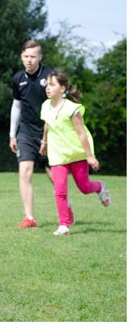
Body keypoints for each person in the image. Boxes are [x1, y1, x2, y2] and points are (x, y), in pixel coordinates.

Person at [39, 70, 111, 236]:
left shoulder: (72, 109)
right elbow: (47, 124)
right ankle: (64, 225)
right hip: (58, 155)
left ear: (63, 88)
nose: (48, 88)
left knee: (84, 187)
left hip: (77, 154)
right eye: (47, 84)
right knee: (60, 191)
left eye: (52, 85)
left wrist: (90, 156)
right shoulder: (45, 106)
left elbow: (81, 133)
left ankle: (99, 187)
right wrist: (44, 142)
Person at [9, 40, 54, 228]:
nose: (29, 60)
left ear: (40, 57)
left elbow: (57, 106)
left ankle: (66, 206)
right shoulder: (18, 78)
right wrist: (12, 134)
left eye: (33, 56)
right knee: (25, 171)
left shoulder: (50, 77)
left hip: (49, 131)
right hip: (26, 132)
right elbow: (16, 106)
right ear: (21, 56)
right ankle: (29, 217)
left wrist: (47, 137)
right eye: (26, 56)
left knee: (54, 176)